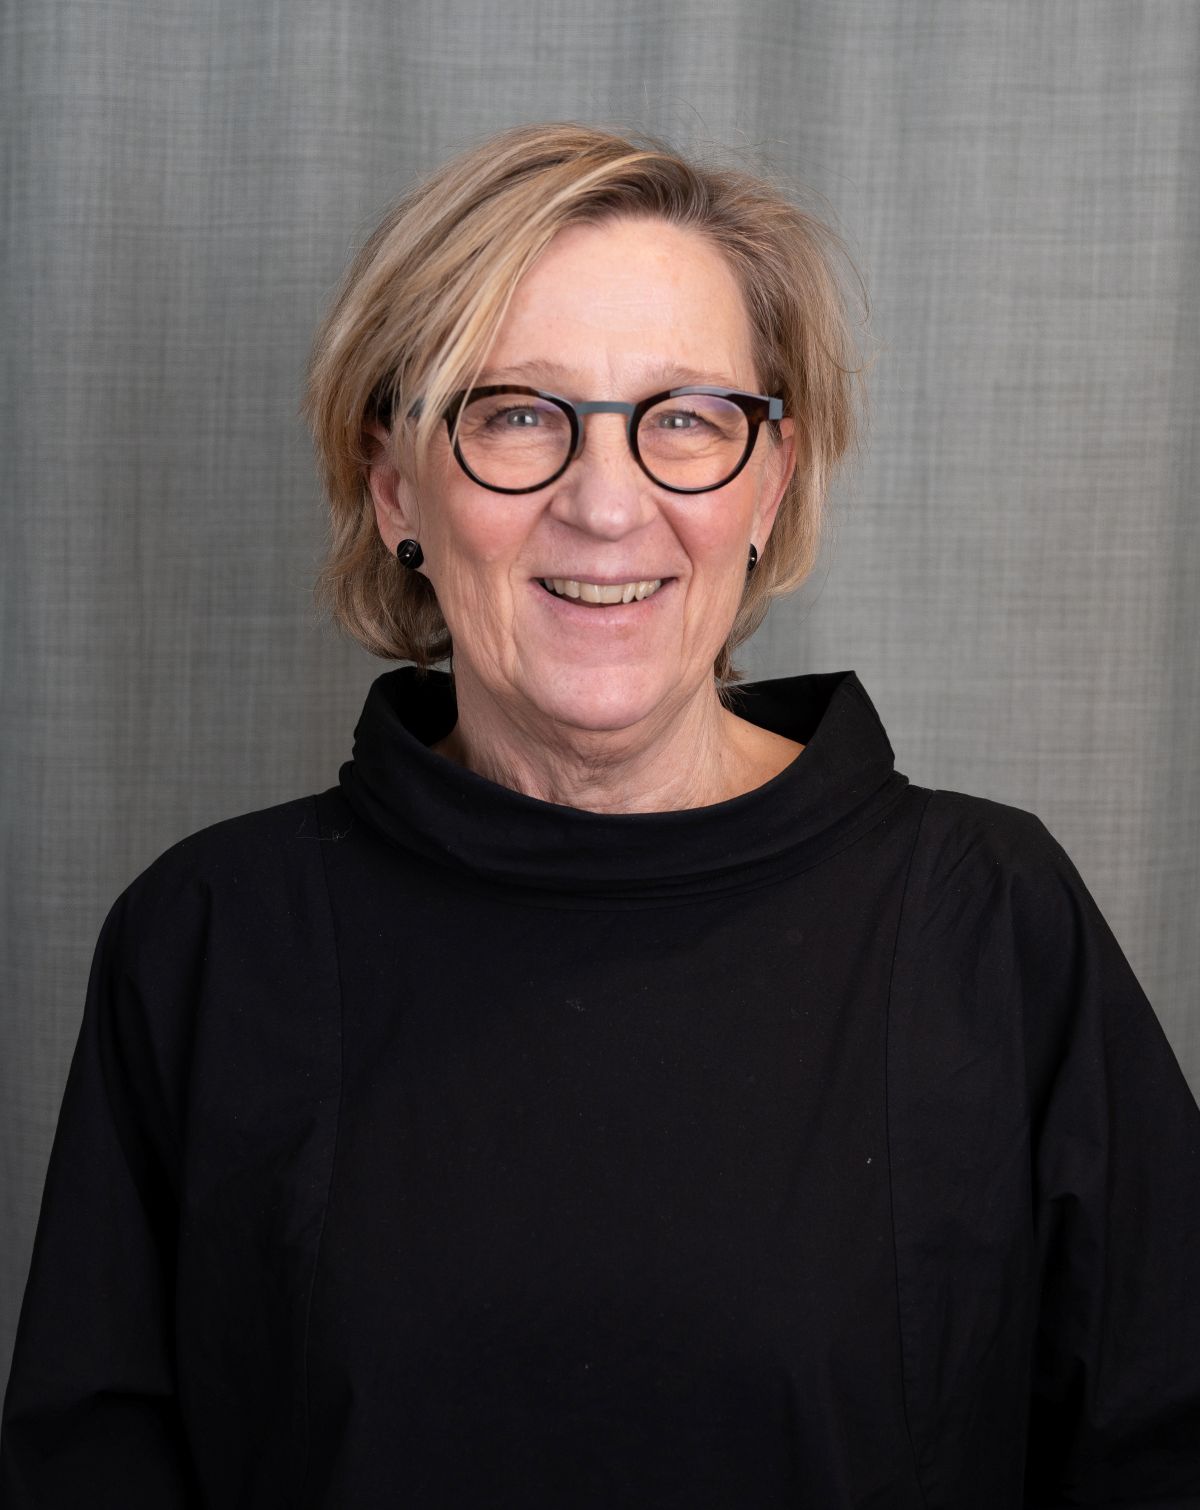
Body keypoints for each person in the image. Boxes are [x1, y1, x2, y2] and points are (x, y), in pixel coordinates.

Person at [2, 121, 1199, 1510]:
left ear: (770, 481)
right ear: (395, 485)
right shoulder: (208, 940)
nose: (609, 505)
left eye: (686, 418)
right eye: (518, 413)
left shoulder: (988, 923)